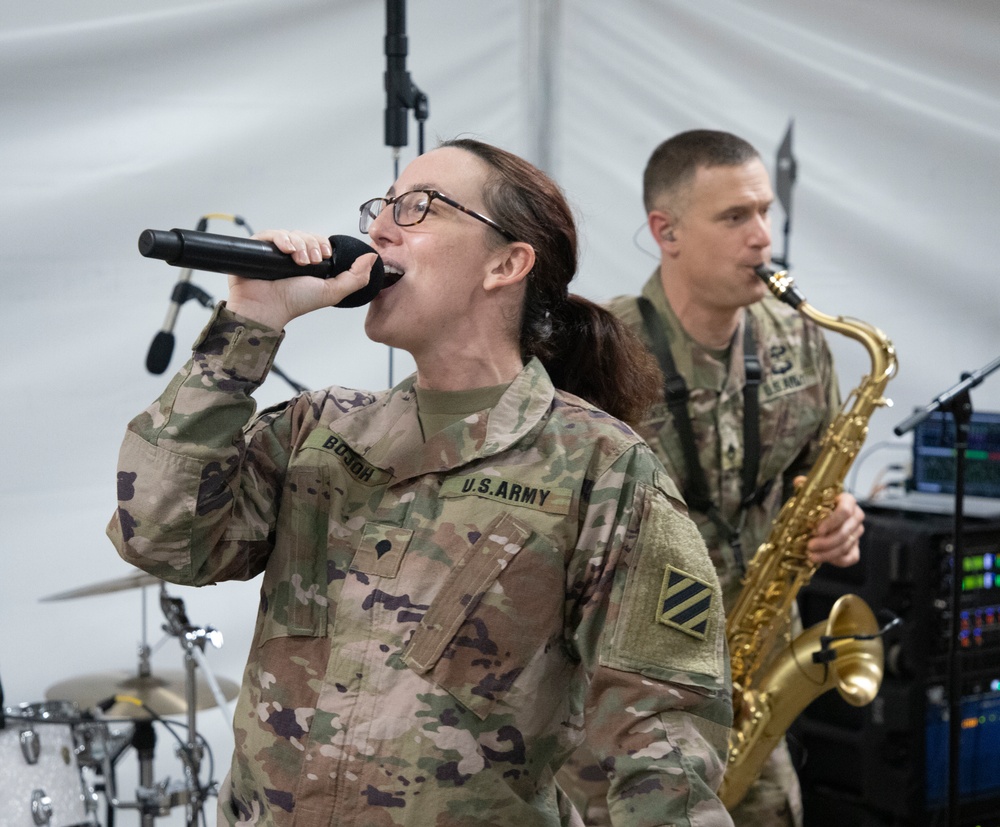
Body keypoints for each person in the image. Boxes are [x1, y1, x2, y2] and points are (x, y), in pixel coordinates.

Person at [107, 138, 736, 826]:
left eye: (418, 207)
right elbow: (160, 535)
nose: (379, 228)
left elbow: (664, 737)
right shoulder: (318, 432)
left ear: (506, 262)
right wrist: (250, 324)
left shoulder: (601, 468)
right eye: (382, 205)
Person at [556, 130, 866, 827]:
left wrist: (837, 512)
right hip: (623, 695)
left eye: (766, 212)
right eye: (735, 217)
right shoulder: (600, 350)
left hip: (752, 680)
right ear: (665, 231)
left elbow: (814, 473)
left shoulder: (800, 339)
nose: (762, 238)